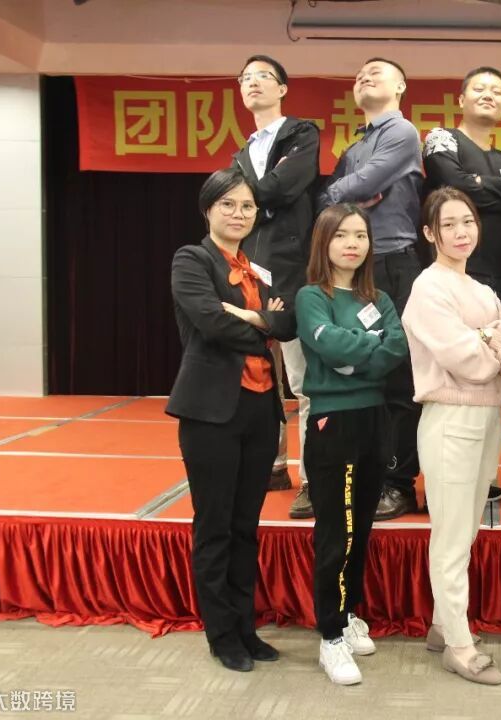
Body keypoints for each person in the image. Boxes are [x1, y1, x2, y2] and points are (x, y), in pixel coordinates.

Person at [166, 168, 296, 672]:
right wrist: (265, 326)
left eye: (247, 206)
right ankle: (222, 636)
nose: (239, 214)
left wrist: (256, 319)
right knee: (215, 526)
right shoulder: (191, 259)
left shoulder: (258, 270)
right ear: (208, 210)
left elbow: (290, 322)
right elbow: (211, 323)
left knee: (246, 526)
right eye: (228, 205)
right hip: (211, 411)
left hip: (260, 409)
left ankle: (246, 628)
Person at [402, 187, 501, 685]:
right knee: (452, 536)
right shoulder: (428, 288)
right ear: (429, 233)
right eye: (449, 224)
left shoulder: (481, 289)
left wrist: (489, 338)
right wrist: (492, 338)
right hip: (450, 419)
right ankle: (459, 645)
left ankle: (442, 625)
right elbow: (471, 363)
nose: (461, 232)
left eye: (468, 222)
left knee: (467, 531)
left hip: (488, 417)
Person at [297, 204, 409, 686]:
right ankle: (330, 635)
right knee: (336, 532)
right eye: (341, 234)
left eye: (360, 235)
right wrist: (366, 347)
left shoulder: (378, 298)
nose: (352, 244)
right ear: (324, 242)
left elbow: (396, 348)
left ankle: (348, 614)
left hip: (374, 419)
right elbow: (330, 346)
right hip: (333, 423)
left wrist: (354, 357)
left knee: (361, 527)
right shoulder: (310, 296)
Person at [422, 65, 501, 504]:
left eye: (497, 91)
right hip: (450, 276)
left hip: (494, 279)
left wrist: (480, 189)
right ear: (461, 99)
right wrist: (499, 195)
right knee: (450, 375)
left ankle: (484, 474)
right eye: (479, 88)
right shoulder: (443, 139)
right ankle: (443, 473)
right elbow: (452, 184)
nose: (488, 95)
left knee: (492, 372)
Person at [319, 57, 423, 521]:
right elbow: (328, 198)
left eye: (376, 72)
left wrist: (345, 193)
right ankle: (367, 477)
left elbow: (355, 187)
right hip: (356, 267)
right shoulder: (357, 145)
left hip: (393, 263)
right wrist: (346, 194)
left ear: (400, 86)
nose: (363, 76)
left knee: (398, 378)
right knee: (361, 374)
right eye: (359, 74)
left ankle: (399, 485)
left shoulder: (402, 132)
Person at [232, 54, 321, 511]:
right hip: (251, 270)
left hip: (293, 271)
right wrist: (252, 200)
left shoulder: (301, 133)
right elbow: (227, 205)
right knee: (261, 378)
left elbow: (288, 184)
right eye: (245, 78)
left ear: (282, 88)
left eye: (262, 76)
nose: (253, 83)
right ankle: (271, 465)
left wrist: (246, 199)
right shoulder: (241, 152)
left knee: (304, 381)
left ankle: (312, 479)